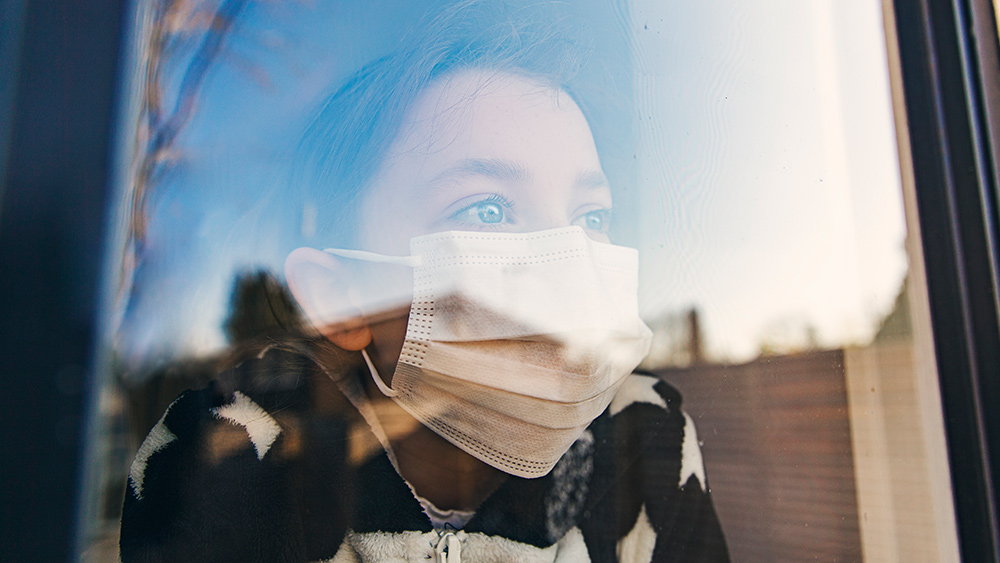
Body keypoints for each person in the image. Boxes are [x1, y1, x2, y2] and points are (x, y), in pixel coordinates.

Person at [119, 2, 729, 561]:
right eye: (488, 209)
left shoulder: (647, 441)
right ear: (340, 297)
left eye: (590, 217)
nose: (569, 260)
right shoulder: (233, 460)